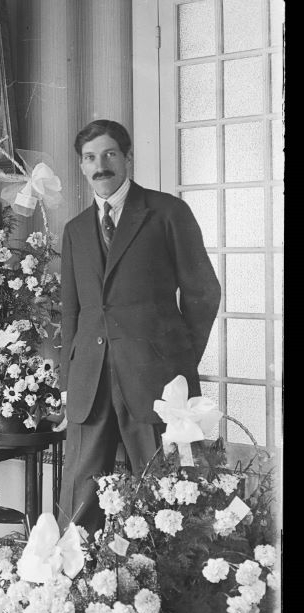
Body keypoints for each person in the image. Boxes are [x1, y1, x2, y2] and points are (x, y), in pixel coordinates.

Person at [57, 119, 221, 532]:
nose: (101, 165)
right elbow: (72, 311)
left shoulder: (166, 212)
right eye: (90, 158)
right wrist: (67, 380)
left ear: (128, 157)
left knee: (167, 491)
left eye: (110, 154)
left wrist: (178, 360)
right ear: (81, 166)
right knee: (79, 498)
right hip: (89, 380)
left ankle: (168, 584)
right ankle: (78, 583)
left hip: (157, 380)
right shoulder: (75, 230)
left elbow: (203, 293)